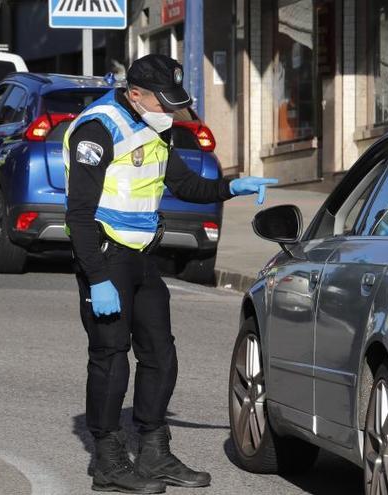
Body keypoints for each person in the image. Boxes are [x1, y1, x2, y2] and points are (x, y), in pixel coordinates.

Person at [64, 54, 278, 494]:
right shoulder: (97, 129)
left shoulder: (153, 125)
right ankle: (106, 460)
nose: (170, 111)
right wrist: (98, 277)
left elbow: (184, 185)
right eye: (163, 102)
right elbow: (79, 215)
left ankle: (154, 450)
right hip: (106, 256)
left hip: (143, 257)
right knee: (110, 357)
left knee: (161, 356)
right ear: (135, 93)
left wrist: (230, 187)